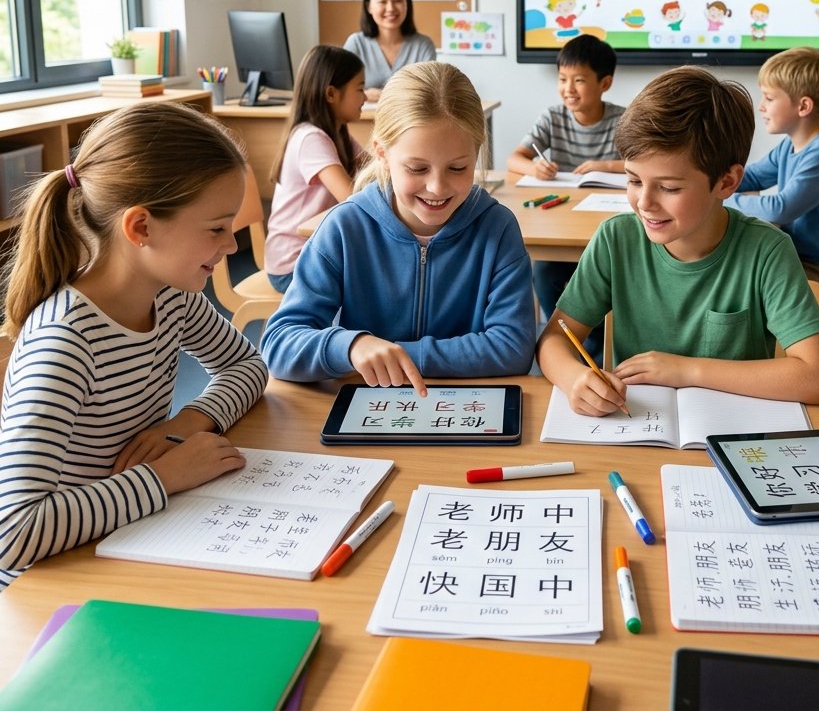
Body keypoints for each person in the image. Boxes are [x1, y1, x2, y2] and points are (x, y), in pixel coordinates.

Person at [0, 103, 268, 590]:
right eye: (216, 228)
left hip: (131, 536)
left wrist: (188, 422)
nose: (232, 246)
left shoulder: (169, 296)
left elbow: (247, 366)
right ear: (141, 227)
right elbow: (14, 532)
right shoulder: (64, 342)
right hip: (53, 580)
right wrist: (167, 477)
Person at [536, 65, 819, 417]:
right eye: (634, 181)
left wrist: (686, 370)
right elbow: (554, 339)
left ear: (726, 183)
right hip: (636, 430)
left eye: (669, 187)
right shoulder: (615, 239)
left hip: (732, 435)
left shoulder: (767, 250)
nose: (644, 202)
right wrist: (574, 377)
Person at [261, 61, 536, 391]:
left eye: (458, 167)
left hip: (465, 411)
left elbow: (513, 348)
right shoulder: (345, 227)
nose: (437, 187)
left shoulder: (497, 228)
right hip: (368, 411)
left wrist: (397, 355)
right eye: (417, 169)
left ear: (477, 154)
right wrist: (351, 347)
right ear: (381, 153)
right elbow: (278, 344)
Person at [507, 34, 625, 354]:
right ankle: (570, 341)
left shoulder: (622, 118)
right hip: (562, 214)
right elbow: (514, 159)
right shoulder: (553, 116)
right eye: (562, 79)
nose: (568, 89)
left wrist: (606, 165)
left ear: (605, 83)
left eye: (579, 80)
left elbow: (642, 162)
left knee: (610, 270)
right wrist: (534, 169)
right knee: (544, 269)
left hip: (603, 219)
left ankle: (601, 344)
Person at [724, 46, 819, 306]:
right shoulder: (790, 146)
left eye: (769, 98)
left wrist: (721, 200)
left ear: (803, 106)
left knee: (744, 272)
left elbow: (780, 209)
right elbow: (752, 177)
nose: (761, 106)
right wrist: (712, 185)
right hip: (808, 263)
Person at [264, 45, 367, 292]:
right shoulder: (311, 138)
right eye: (360, 89)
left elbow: (376, 169)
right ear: (331, 93)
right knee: (374, 278)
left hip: (316, 251)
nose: (365, 98)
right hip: (293, 263)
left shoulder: (339, 134)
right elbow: (352, 198)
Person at [344, 0, 436, 101]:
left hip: (411, 121)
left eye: (398, 0)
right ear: (369, 6)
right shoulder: (356, 43)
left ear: (407, 4)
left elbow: (429, 93)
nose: (391, 8)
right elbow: (344, 90)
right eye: (382, 1)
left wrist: (381, 95)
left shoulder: (423, 45)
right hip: (363, 120)